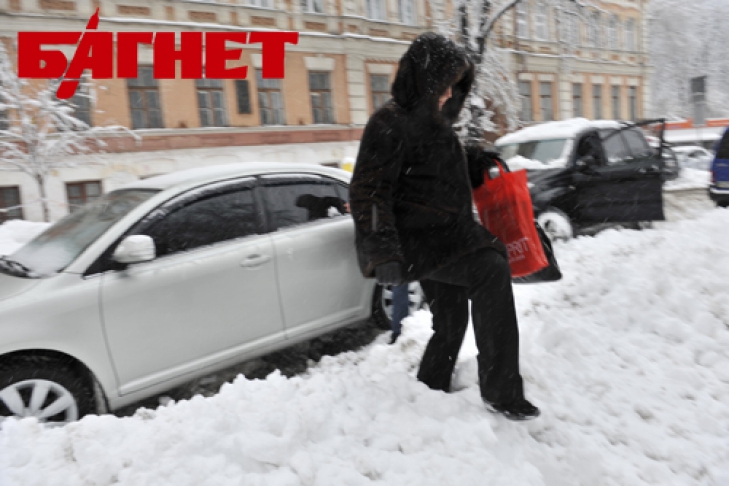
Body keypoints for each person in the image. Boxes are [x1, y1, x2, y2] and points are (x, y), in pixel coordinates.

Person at [349, 32, 540, 420]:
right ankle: (502, 392)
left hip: (445, 237)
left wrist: (473, 162)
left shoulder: (435, 126)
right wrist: (382, 251)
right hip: (418, 242)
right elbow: (368, 191)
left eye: (455, 86)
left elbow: (431, 171)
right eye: (445, 85)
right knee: (490, 269)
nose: (450, 95)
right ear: (424, 80)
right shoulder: (388, 123)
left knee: (451, 320)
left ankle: (429, 388)